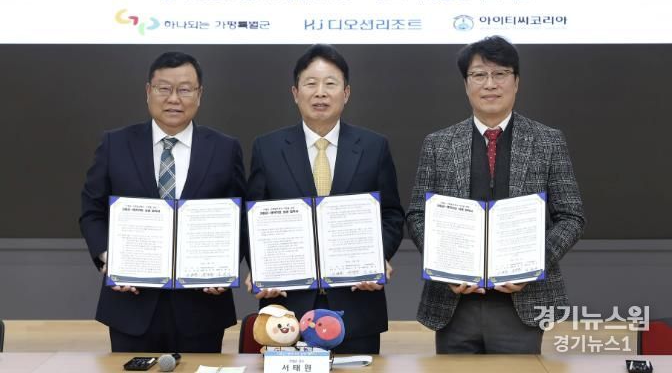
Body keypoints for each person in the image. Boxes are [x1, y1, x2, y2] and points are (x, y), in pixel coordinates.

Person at [406, 36, 586, 354]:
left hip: (523, 302)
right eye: (479, 75)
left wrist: (534, 264)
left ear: (516, 82)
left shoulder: (547, 141)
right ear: (466, 84)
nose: (490, 84)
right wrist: (443, 265)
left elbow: (571, 217)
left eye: (500, 74)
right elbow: (418, 214)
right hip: (454, 303)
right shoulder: (438, 143)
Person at [79, 51, 245, 353]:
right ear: (148, 91)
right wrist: (110, 258)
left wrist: (227, 266)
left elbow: (240, 219)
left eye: (185, 89)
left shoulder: (225, 148)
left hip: (202, 306)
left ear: (199, 94)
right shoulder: (115, 144)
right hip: (131, 305)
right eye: (164, 88)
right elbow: (92, 211)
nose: (174, 99)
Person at [246, 44, 405, 354]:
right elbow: (252, 219)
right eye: (311, 83)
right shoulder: (268, 148)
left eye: (330, 83)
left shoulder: (373, 146)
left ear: (346, 93)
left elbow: (391, 214)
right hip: (287, 309)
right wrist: (261, 268)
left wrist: (376, 259)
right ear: (295, 93)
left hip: (356, 304)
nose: (320, 92)